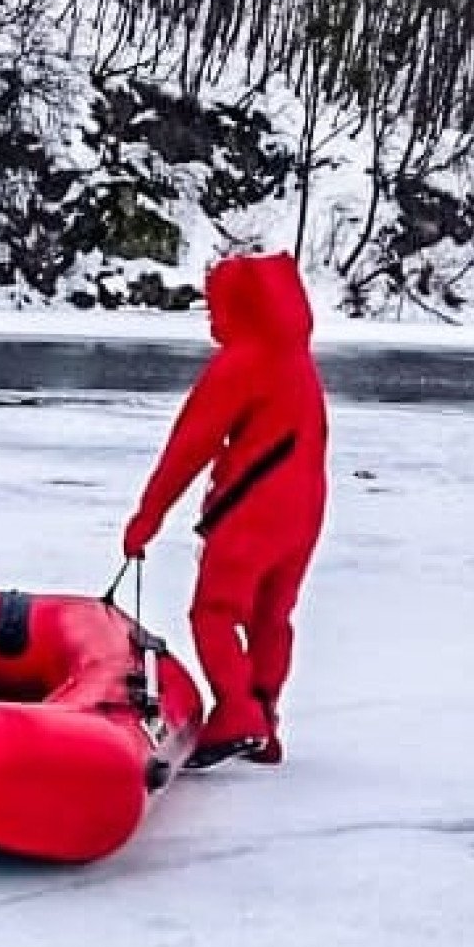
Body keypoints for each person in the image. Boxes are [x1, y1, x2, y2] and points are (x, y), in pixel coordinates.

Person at [121, 251, 329, 769]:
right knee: (271, 617)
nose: (211, 316)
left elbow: (190, 446)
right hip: (307, 506)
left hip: (257, 509)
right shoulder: (297, 357)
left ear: (238, 304)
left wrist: (148, 517)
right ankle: (264, 722)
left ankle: (238, 712)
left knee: (213, 613)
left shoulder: (243, 361)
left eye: (215, 304)